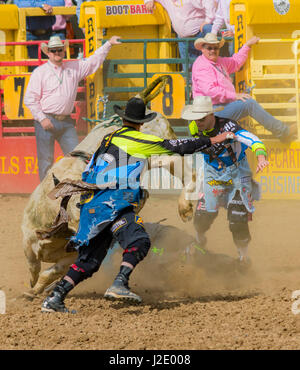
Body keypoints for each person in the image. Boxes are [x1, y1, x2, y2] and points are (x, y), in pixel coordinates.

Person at [41, 97, 235, 313]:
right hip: (113, 204)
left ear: (124, 119)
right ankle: (120, 283)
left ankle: (55, 298)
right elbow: (176, 147)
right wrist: (214, 139)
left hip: (92, 207)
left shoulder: (108, 138)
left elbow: (89, 169)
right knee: (140, 241)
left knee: (89, 262)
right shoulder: (136, 140)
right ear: (142, 122)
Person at [181, 96, 269, 268]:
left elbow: (254, 140)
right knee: (202, 216)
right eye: (195, 118)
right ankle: (199, 241)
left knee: (237, 218)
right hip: (212, 174)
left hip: (237, 174)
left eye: (201, 118)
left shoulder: (230, 128)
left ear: (211, 115)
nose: (198, 122)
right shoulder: (193, 128)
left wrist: (260, 157)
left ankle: (243, 258)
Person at [24, 35, 122, 181]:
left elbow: (92, 62)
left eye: (59, 50)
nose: (57, 52)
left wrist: (108, 44)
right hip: (46, 120)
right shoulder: (40, 72)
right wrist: (42, 118)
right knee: (45, 161)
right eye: (53, 50)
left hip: (66, 122)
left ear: (63, 51)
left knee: (77, 157)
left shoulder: (73, 67)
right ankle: (44, 195)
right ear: (48, 52)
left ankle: (75, 189)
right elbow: (30, 99)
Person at [192, 33, 297, 142]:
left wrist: (247, 45)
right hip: (211, 112)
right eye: (209, 48)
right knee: (249, 104)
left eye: (215, 48)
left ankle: (278, 131)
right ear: (203, 49)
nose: (213, 51)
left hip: (218, 109)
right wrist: (234, 96)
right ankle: (283, 132)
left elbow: (235, 62)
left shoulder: (218, 62)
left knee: (248, 102)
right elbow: (210, 91)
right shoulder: (202, 66)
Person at [144, 0, 216, 74]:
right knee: (188, 72)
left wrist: (208, 20)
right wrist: (148, 1)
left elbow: (209, 2)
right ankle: (191, 83)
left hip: (199, 36)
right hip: (183, 39)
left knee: (207, 68)